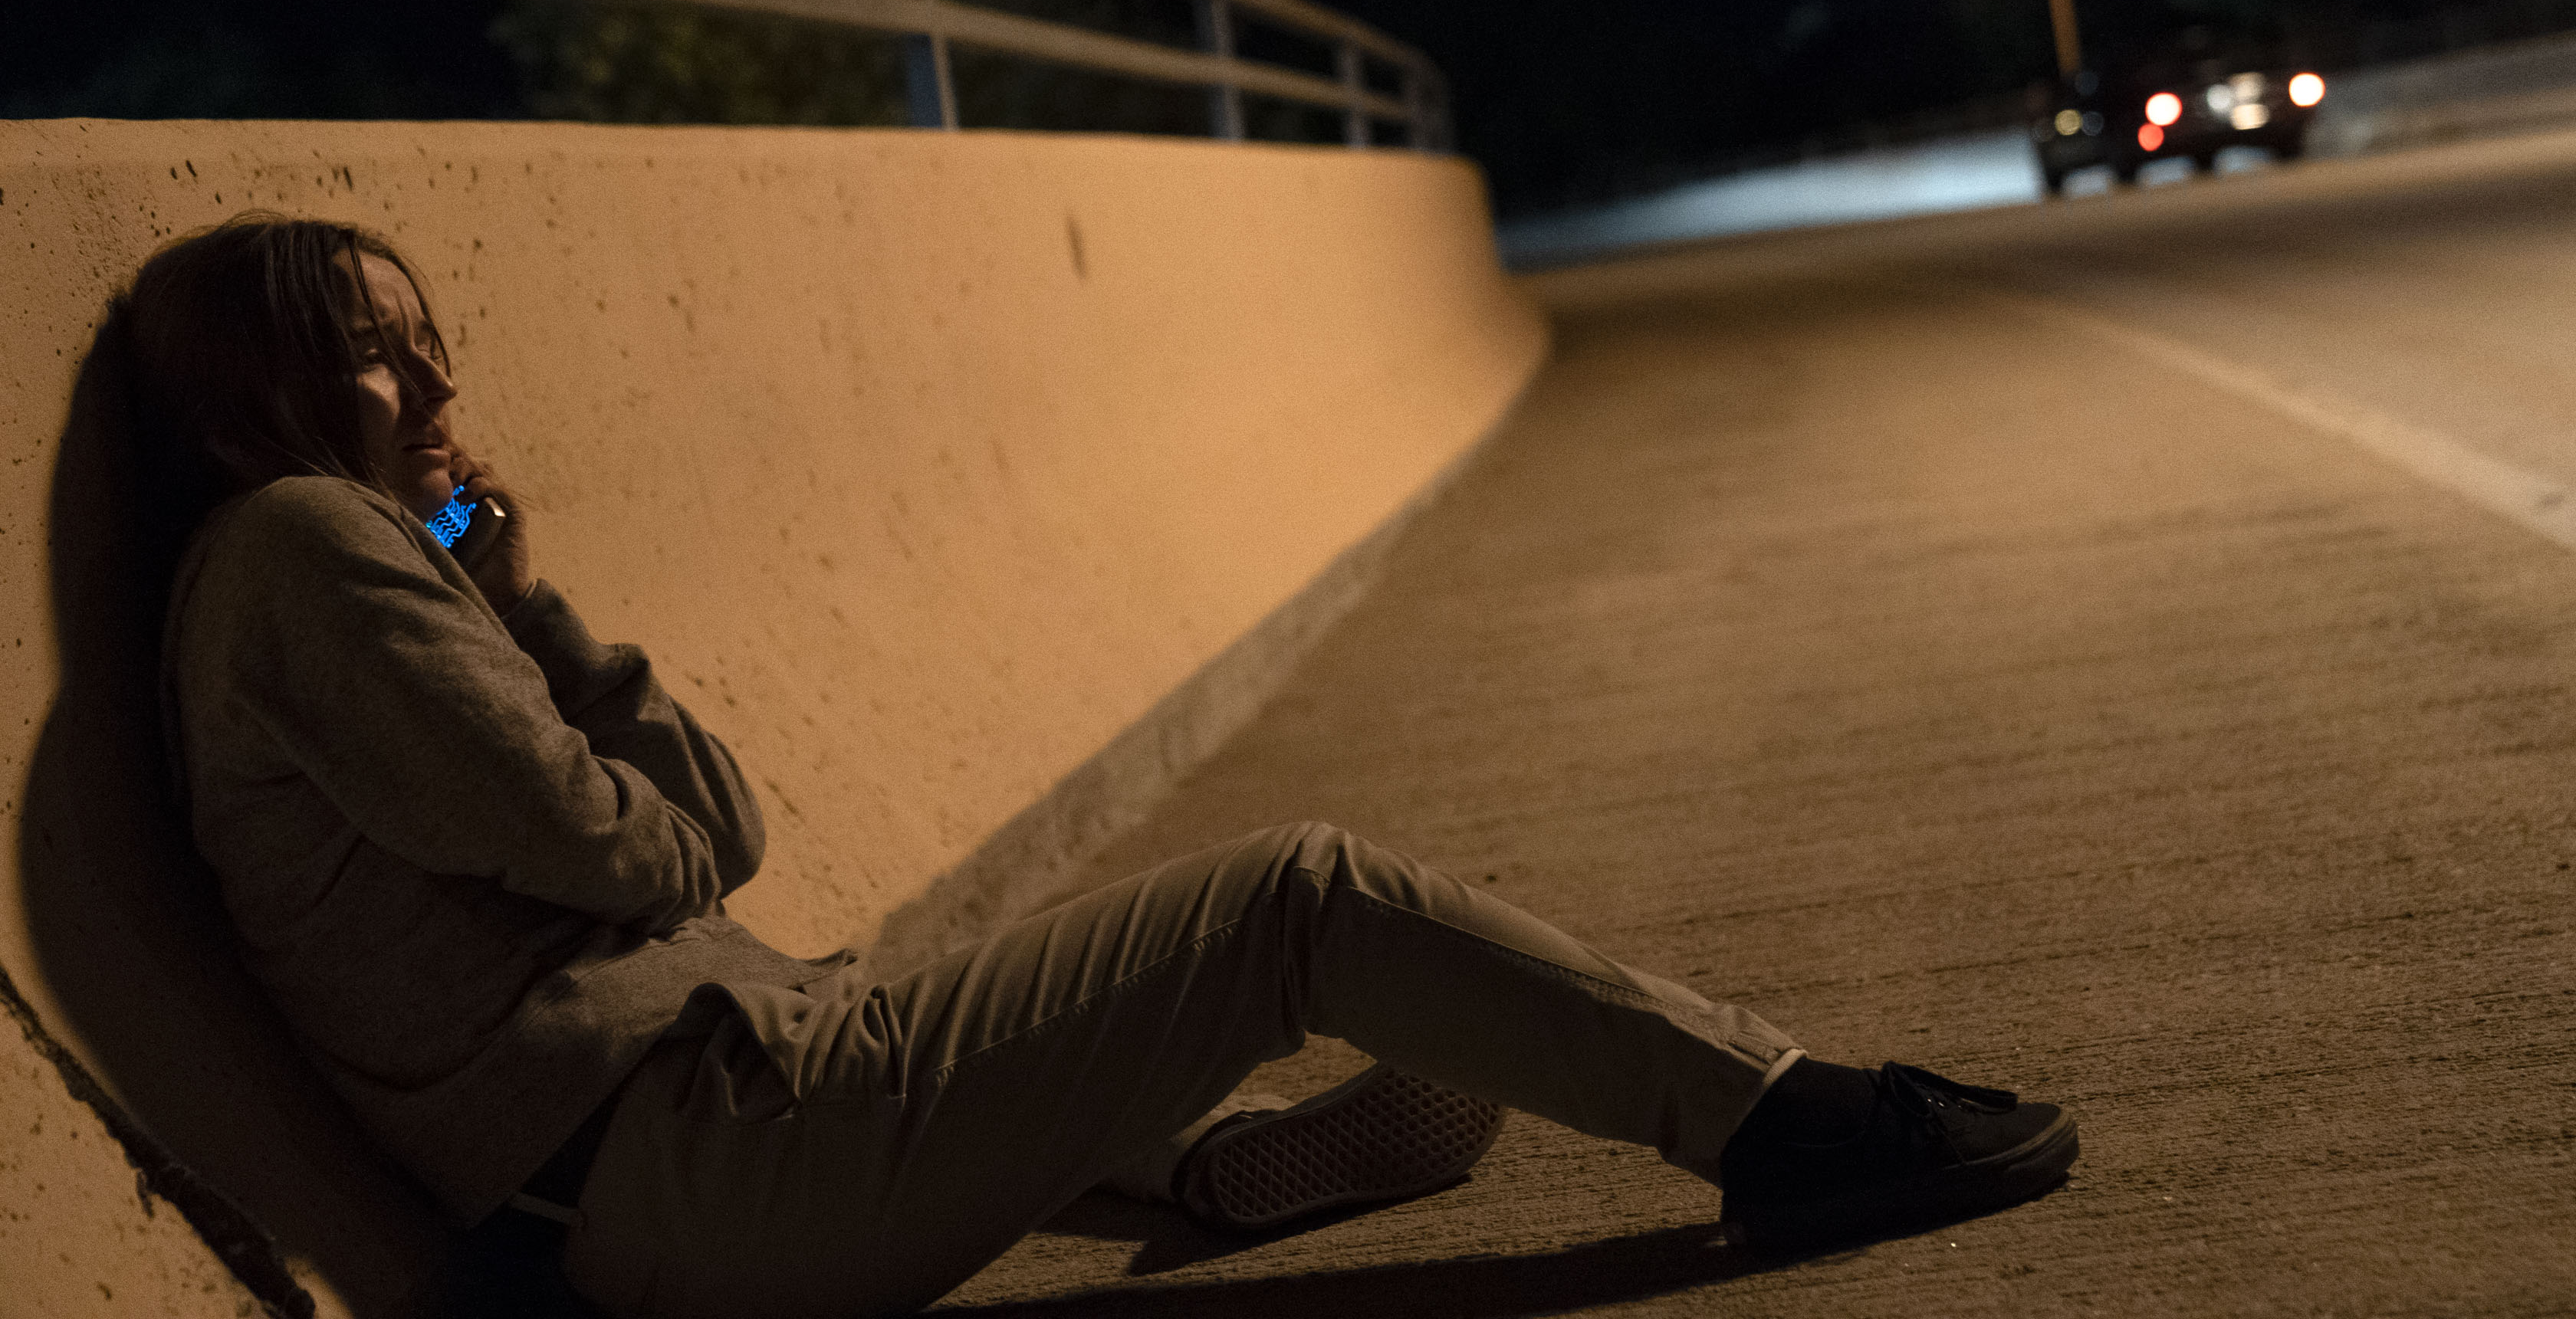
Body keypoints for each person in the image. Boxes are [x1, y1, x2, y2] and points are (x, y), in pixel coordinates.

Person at [123, 212, 2078, 1319]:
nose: (441, 385)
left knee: (987, 1006)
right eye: (383, 352)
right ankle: (1781, 1122)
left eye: (435, 338)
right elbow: (649, 845)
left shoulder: (319, 561)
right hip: (698, 1169)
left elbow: (690, 841)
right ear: (257, 398)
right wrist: (543, 626)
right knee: (1297, 898)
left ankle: (1204, 1163)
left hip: (686, 1153)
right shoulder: (298, 547)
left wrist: (520, 605)